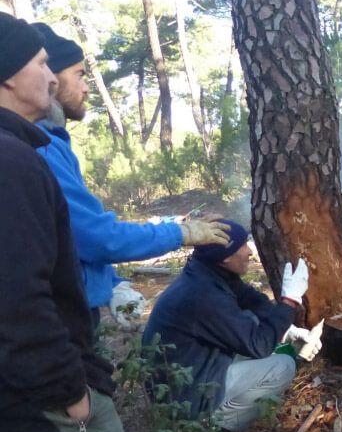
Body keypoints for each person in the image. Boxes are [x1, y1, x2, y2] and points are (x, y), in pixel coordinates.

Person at [31, 22, 231, 328]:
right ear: (51, 78)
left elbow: (72, 238)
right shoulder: (41, 148)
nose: (86, 88)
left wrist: (112, 284)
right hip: (56, 319)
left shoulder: (50, 143)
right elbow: (97, 237)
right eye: (79, 74)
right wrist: (181, 233)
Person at [0, 11, 126, 432]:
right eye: (40, 64)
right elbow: (16, 298)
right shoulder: (11, 161)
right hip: (40, 404)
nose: (52, 79)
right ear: (7, 75)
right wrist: (71, 392)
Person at [143, 219, 322, 432]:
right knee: (282, 366)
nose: (250, 252)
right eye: (242, 246)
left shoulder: (208, 272)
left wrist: (287, 330)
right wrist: (289, 301)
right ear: (226, 258)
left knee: (252, 319)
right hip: (187, 394)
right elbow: (259, 345)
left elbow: (254, 302)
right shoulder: (204, 296)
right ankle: (214, 426)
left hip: (195, 367)